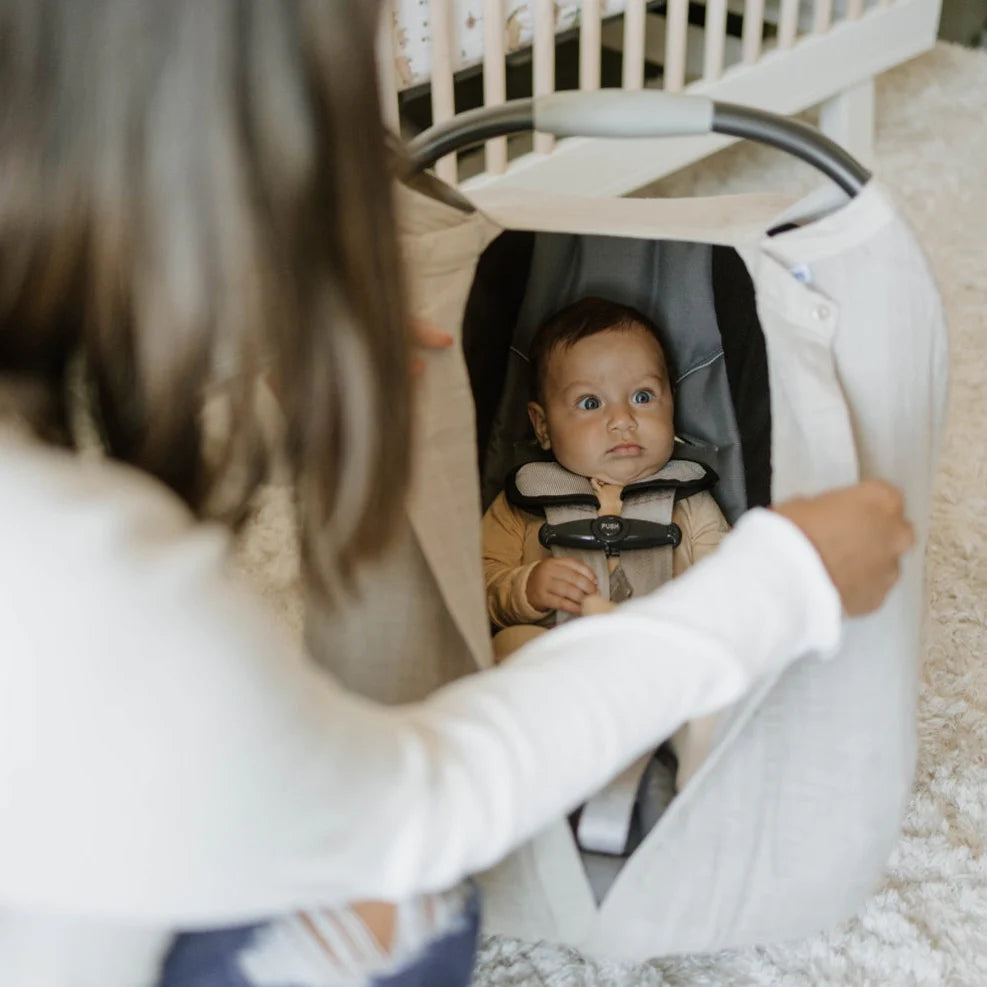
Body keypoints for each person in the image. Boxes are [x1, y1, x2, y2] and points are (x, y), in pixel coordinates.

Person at [0, 2, 914, 986]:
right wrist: (772, 584)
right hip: (529, 651)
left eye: (645, 397)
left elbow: (708, 547)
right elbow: (414, 809)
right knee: (420, 900)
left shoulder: (62, 522)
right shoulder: (90, 582)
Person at [482, 296, 729, 784]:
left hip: (657, 664)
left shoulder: (688, 499)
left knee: (720, 671)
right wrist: (528, 588)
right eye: (591, 404)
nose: (622, 420)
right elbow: (480, 589)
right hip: (561, 662)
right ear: (542, 427)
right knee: (511, 643)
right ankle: (550, 750)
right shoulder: (522, 503)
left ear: (671, 403)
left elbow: (729, 585)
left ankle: (695, 755)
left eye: (642, 396)